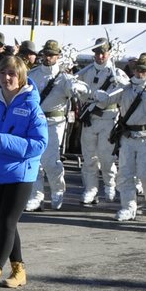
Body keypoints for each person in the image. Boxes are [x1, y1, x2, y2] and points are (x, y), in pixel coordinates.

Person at [0, 55, 47, 291]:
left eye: (12, 74)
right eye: (3, 73)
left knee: (6, 222)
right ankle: (19, 271)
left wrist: (4, 140)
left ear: (21, 77)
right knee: (8, 224)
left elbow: (39, 144)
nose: (6, 78)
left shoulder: (32, 106)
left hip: (20, 174)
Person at [103, 53, 146, 221]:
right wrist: (102, 96)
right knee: (125, 174)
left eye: (144, 70)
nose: (140, 73)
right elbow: (108, 100)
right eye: (137, 70)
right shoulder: (127, 88)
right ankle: (128, 207)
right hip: (128, 136)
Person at [26, 40, 85, 211]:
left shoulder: (66, 78)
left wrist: (77, 88)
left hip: (54, 123)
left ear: (58, 56)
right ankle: (36, 196)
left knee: (51, 161)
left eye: (52, 54)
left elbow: (81, 92)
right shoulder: (33, 74)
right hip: (34, 121)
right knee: (34, 161)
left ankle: (58, 191)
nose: (48, 57)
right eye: (46, 54)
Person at [75, 40, 124, 206]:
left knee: (106, 156)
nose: (100, 56)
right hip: (90, 119)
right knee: (89, 157)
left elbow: (126, 93)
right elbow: (75, 87)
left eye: (103, 53)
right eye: (97, 53)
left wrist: (117, 88)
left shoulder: (116, 73)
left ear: (109, 53)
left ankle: (110, 185)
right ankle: (90, 189)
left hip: (108, 118)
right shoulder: (86, 72)